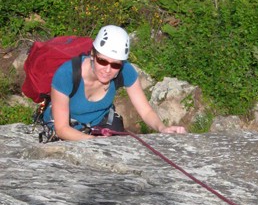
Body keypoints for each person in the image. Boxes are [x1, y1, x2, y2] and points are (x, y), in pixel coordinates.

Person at [43, 25, 187, 141]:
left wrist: (162, 128)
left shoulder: (126, 71)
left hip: (101, 124)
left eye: (115, 65)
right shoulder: (66, 75)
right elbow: (62, 129)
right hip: (69, 126)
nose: (107, 70)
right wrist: (93, 141)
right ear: (92, 55)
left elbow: (145, 111)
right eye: (102, 61)